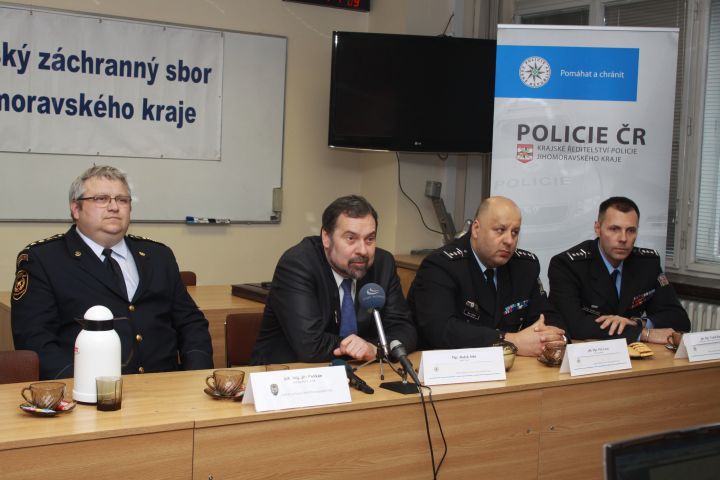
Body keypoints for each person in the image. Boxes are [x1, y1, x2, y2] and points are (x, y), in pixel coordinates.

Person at [11, 165, 213, 380]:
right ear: (76, 209)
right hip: (87, 391)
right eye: (101, 199)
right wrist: (82, 388)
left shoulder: (158, 256)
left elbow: (190, 323)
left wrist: (196, 377)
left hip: (166, 388)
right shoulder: (43, 260)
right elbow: (35, 340)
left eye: (122, 200)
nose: (114, 207)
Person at [251, 195, 417, 364]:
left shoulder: (383, 265)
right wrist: (364, 349)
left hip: (361, 372)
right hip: (288, 372)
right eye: (351, 238)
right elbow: (310, 345)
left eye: (369, 239)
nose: (363, 250)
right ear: (326, 237)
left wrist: (376, 349)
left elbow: (405, 329)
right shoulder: (297, 264)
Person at [408, 196, 566, 357]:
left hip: (511, 366)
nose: (509, 241)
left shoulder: (525, 266)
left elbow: (547, 316)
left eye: (515, 232)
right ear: (476, 229)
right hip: (450, 364)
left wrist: (551, 338)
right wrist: (511, 341)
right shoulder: (441, 265)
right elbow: (441, 329)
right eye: (500, 230)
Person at [548, 196, 690, 343]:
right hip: (590, 352)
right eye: (614, 229)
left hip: (635, 353)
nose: (623, 238)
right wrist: (641, 333)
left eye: (630, 230)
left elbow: (679, 319)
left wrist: (638, 322)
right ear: (598, 229)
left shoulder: (647, 264)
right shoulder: (568, 265)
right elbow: (574, 325)